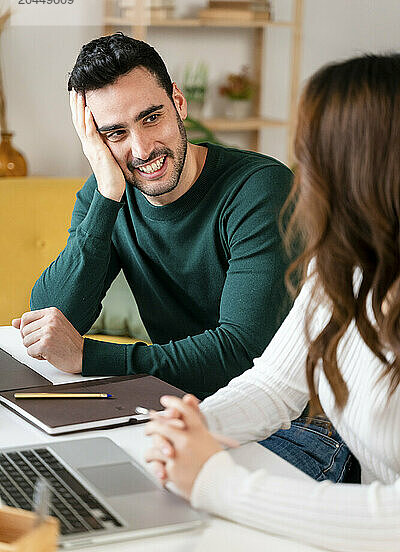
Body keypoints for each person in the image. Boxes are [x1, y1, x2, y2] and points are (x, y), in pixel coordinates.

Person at [13, 33, 352, 483]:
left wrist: (90, 357)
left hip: (301, 422)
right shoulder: (108, 194)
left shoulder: (258, 190)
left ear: (178, 102)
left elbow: (242, 353)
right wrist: (108, 190)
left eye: (151, 118)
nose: (142, 149)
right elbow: (53, 314)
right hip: (190, 408)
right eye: (115, 133)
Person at [144, 53, 400, 551]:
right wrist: (195, 428)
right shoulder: (348, 268)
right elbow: (275, 385)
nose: (301, 176)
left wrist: (218, 482)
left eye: (311, 157)